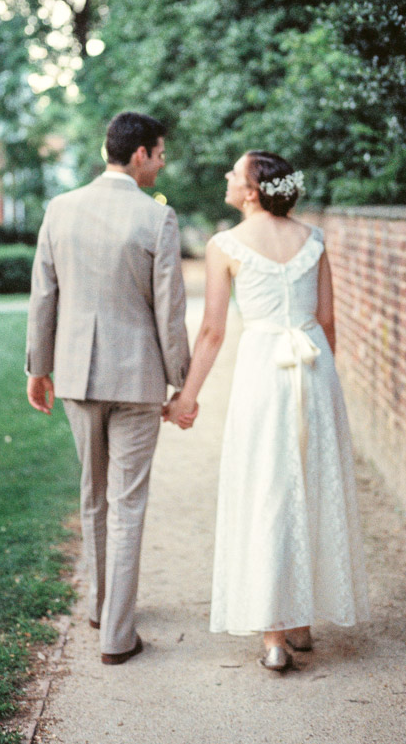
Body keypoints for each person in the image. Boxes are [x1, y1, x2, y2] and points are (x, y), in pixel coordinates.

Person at [164, 150, 370, 671]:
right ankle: (300, 623)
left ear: (253, 191)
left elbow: (212, 331)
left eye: (235, 173)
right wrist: (323, 381)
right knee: (310, 482)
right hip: (314, 368)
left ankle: (275, 635)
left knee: (267, 490)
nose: (228, 178)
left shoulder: (224, 245)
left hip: (263, 373)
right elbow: (327, 321)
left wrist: (187, 397)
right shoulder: (313, 240)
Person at [26, 111, 190, 665]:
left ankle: (101, 609)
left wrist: (38, 368)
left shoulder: (60, 209)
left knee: (93, 494)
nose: (163, 162)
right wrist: (181, 383)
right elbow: (169, 312)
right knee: (126, 503)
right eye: (160, 153)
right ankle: (117, 637)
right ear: (139, 153)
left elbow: (43, 295)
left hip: (75, 374)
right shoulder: (157, 218)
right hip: (138, 378)